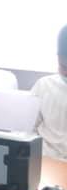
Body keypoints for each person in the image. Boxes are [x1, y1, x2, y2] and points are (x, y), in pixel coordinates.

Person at [32, 25, 67, 159]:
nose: (66, 72)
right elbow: (26, 128)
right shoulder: (44, 86)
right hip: (46, 160)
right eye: (63, 66)